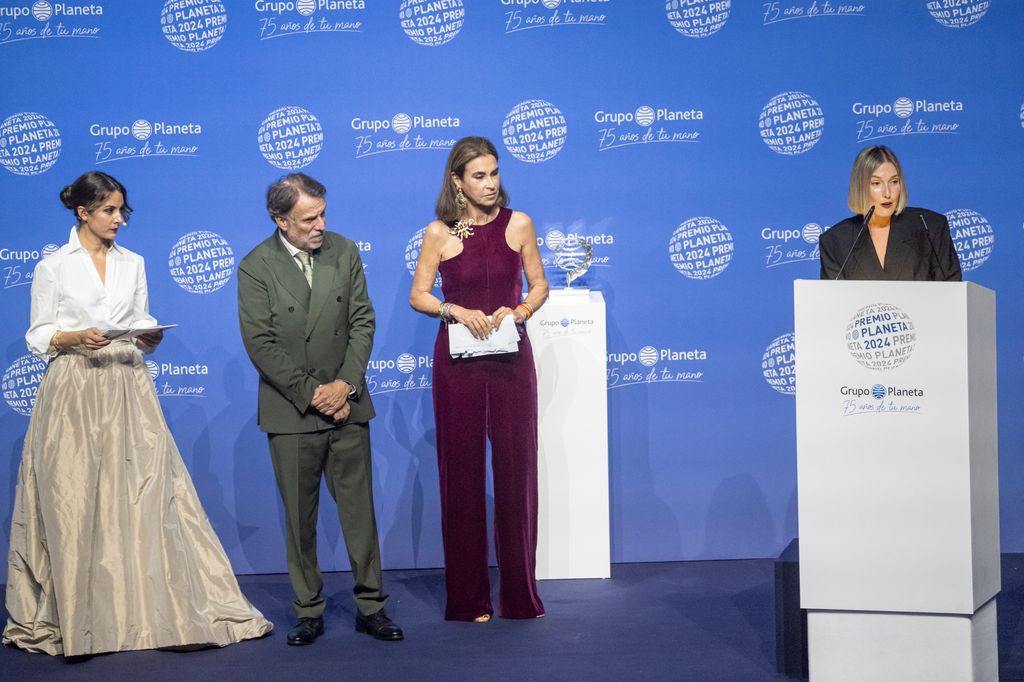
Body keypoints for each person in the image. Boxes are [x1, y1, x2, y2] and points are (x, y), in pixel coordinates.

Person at [3, 171, 272, 657]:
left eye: (122, 210)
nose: (119, 219)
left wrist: (151, 335)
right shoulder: (53, 267)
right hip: (75, 389)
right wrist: (75, 337)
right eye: (109, 210)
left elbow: (141, 322)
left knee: (143, 494)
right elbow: (39, 335)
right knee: (76, 499)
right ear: (83, 212)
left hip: (128, 383)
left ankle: (159, 611)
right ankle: (81, 624)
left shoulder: (134, 263)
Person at [237, 173, 402, 645]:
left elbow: (361, 320)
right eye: (309, 218)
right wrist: (314, 394)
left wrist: (344, 386)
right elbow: (261, 343)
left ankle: (372, 607)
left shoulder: (344, 250)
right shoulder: (255, 266)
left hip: (347, 406)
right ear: (281, 220)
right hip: (292, 412)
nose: (320, 225)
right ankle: (308, 609)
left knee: (359, 514)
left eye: (323, 213)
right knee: (299, 518)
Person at [409, 136, 549, 621]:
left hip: (511, 361)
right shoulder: (440, 233)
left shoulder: (520, 224)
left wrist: (523, 309)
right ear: (458, 181)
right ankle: (468, 600)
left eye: (494, 174)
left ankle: (520, 596)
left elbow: (540, 282)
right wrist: (455, 310)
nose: (490, 185)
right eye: (479, 176)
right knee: (461, 477)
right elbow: (419, 296)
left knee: (516, 476)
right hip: (459, 365)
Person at [819, 145, 962, 281]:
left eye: (894, 182)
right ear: (860, 187)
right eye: (876, 183)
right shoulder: (835, 241)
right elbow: (833, 303)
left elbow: (953, 293)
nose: (887, 193)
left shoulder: (930, 227)